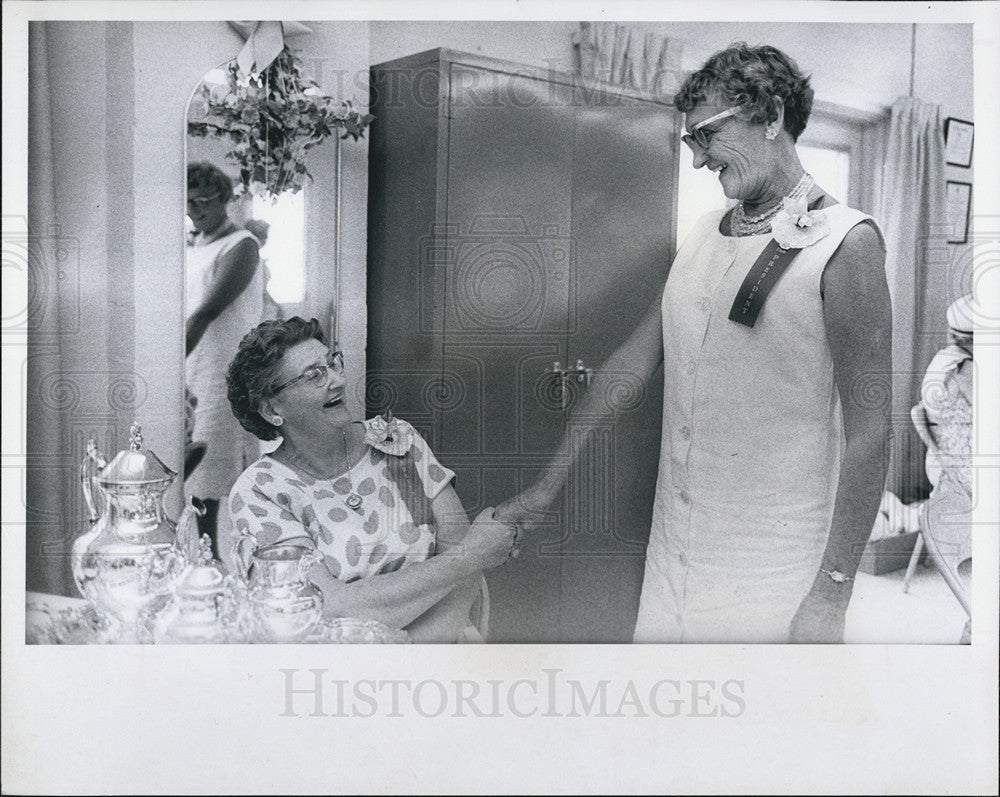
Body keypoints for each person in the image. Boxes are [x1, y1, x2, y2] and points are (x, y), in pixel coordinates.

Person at [498, 43, 892, 643]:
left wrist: (831, 595)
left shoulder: (847, 243)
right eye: (691, 144)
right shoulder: (704, 233)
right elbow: (631, 363)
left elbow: (870, 433)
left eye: (706, 136)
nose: (701, 161)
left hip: (772, 566)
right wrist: (549, 484)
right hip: (675, 543)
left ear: (772, 116)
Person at [225, 317, 520, 642]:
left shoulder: (395, 439)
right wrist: (474, 554)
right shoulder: (260, 491)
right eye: (314, 375)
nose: (337, 380)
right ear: (271, 409)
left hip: (441, 651)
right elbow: (329, 608)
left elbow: (464, 576)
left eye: (332, 363)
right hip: (342, 672)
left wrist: (421, 653)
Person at [185, 162, 264, 549]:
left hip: (221, 370)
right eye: (187, 203)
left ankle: (211, 558)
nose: (193, 210)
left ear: (224, 198)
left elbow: (204, 313)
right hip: (189, 363)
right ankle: (198, 558)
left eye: (201, 201)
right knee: (185, 463)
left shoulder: (242, 246)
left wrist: (168, 364)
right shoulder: (190, 242)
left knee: (211, 469)